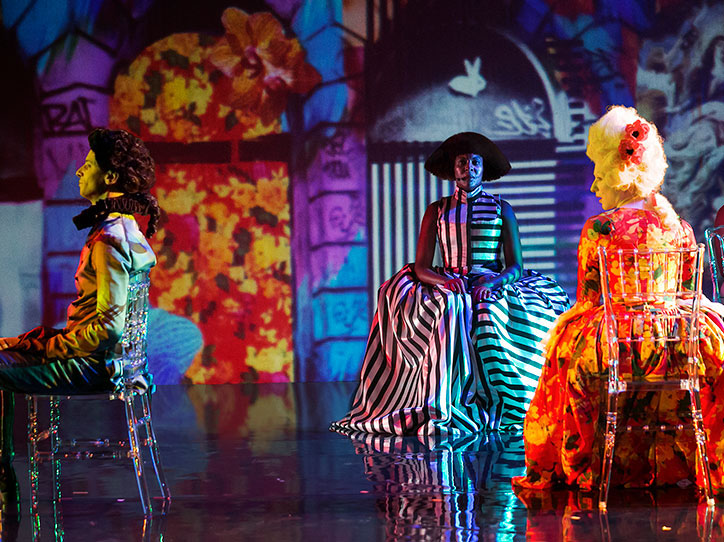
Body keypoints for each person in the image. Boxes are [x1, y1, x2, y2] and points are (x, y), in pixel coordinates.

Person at [513, 105, 724, 492]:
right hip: (678, 342)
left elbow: (588, 300)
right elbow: (688, 294)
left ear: (617, 172)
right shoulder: (679, 227)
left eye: (598, 175)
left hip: (617, 344)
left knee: (564, 353)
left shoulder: (599, 229)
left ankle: (591, 463)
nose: (594, 187)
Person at [331, 132, 569, 437]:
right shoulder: (437, 210)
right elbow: (421, 266)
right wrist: (445, 280)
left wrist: (495, 281)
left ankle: (506, 401)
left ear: (483, 167)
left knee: (489, 313)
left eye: (475, 162)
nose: (469, 168)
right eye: (462, 162)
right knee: (447, 308)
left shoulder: (502, 208)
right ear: (453, 169)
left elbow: (516, 266)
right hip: (449, 281)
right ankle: (441, 400)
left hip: (489, 281)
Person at [0, 128, 160, 462]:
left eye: (88, 165)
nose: (79, 171)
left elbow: (109, 328)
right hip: (101, 359)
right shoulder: (125, 228)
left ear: (110, 177)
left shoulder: (110, 239)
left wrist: (52, 348)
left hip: (95, 365)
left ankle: (5, 481)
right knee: (10, 348)